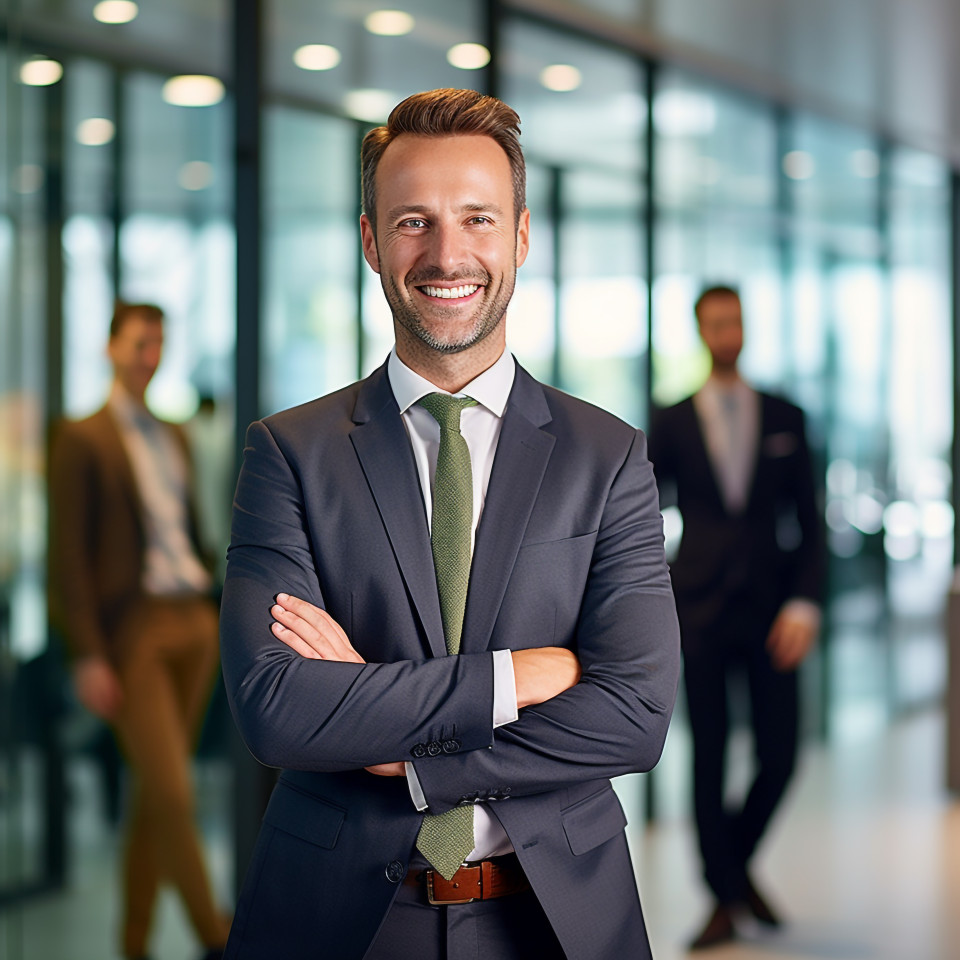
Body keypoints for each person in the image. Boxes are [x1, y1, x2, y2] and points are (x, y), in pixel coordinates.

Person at [219, 88, 681, 960]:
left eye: (477, 218)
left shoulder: (607, 456)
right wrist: (521, 675)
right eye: (412, 222)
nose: (447, 253)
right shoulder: (288, 453)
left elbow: (634, 715)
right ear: (369, 240)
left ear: (521, 235)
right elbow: (277, 709)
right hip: (338, 919)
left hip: (556, 920)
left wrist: (412, 753)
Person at [48, 302, 230, 960]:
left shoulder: (173, 433)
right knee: (174, 790)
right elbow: (67, 555)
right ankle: (218, 936)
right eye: (137, 342)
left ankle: (133, 943)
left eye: (157, 343)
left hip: (193, 622)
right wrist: (87, 655)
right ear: (109, 349)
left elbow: (186, 529)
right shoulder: (81, 436)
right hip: (135, 632)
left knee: (157, 795)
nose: (148, 355)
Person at [648, 285, 825, 950]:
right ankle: (727, 894)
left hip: (774, 611)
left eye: (736, 320)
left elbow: (809, 520)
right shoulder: (671, 418)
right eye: (716, 322)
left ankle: (730, 875)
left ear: (745, 328)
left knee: (781, 755)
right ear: (701, 331)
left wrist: (805, 602)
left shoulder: (786, 415)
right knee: (711, 756)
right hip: (700, 610)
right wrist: (656, 592)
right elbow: (641, 516)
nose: (728, 331)